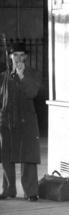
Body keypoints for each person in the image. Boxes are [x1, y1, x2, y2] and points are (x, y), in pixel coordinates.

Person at [0, 41, 41, 201]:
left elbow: (32, 93)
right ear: (10, 57)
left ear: (25, 57)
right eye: (15, 55)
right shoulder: (3, 76)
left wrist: (22, 75)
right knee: (7, 157)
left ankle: (31, 192)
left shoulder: (33, 73)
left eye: (21, 55)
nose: (18, 58)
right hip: (7, 122)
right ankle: (8, 190)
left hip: (26, 121)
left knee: (28, 157)